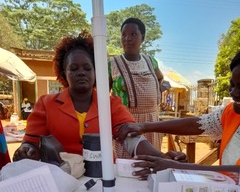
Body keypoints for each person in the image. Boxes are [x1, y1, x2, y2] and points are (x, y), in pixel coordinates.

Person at [12, 31, 185, 167]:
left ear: (96, 72)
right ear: (64, 72)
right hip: (62, 177)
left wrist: (162, 156)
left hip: (103, 178)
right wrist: (26, 150)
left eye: (87, 68)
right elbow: (31, 143)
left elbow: (132, 139)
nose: (81, 72)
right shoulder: (46, 104)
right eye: (74, 68)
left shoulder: (110, 104)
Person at [117, 50, 240, 176]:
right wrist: (144, 127)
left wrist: (181, 167)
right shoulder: (230, 112)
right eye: (232, 85)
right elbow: (197, 124)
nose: (234, 93)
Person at [108, 17, 164, 159]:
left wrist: (159, 90)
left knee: (153, 165)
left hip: (151, 124)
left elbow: (160, 78)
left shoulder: (151, 62)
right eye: (124, 35)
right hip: (126, 125)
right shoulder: (112, 64)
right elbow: (102, 94)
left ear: (143, 37)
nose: (128, 38)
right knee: (127, 167)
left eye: (133, 34)